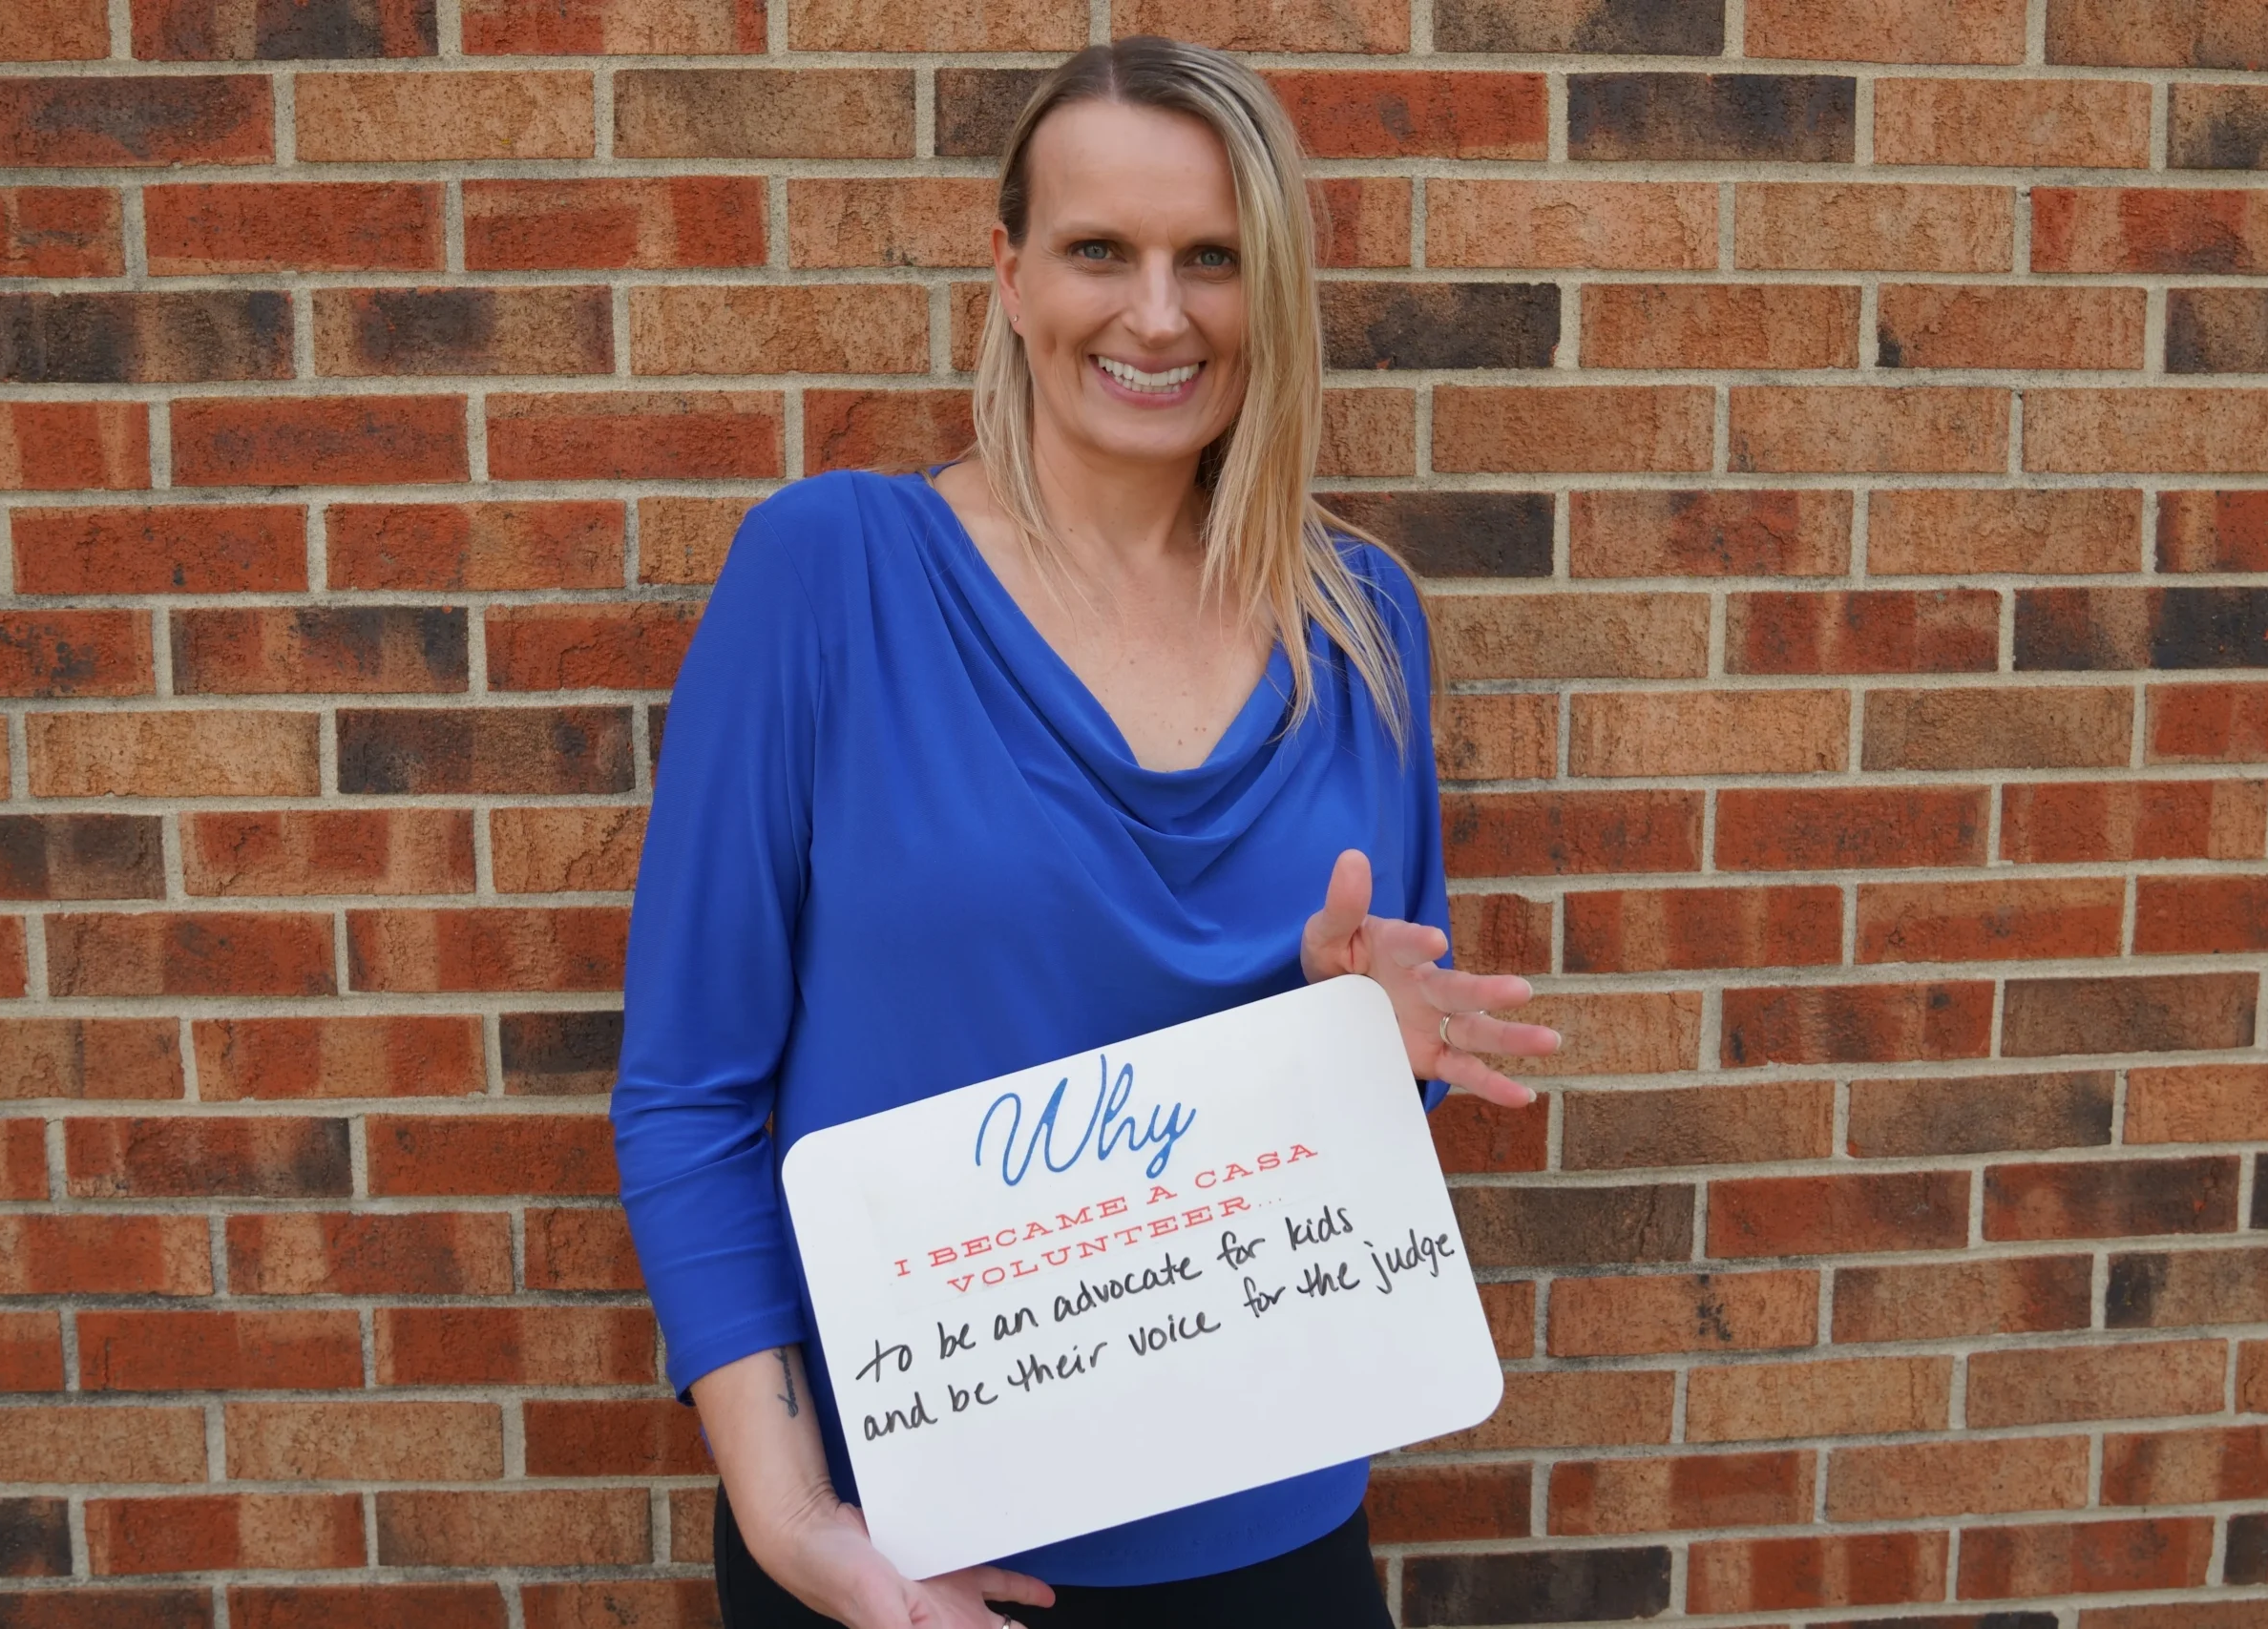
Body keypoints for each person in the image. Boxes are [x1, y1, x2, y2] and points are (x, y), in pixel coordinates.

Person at [610, 35, 1561, 1629]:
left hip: (1271, 1534)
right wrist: (794, 1520)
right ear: (1010, 273)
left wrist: (1364, 1045)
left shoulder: (1361, 623)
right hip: (906, 1554)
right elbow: (688, 1090)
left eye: (1214, 259)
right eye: (1101, 251)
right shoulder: (830, 574)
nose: (1158, 314)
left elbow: (1352, 1142)